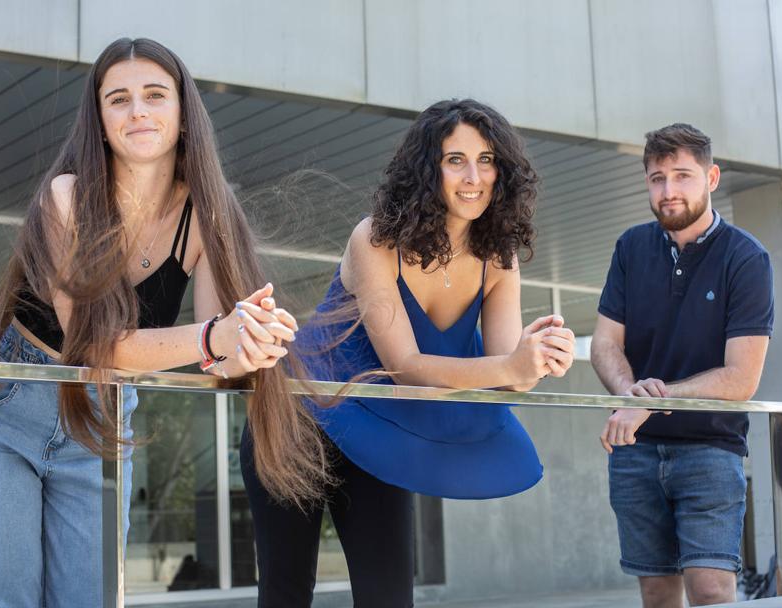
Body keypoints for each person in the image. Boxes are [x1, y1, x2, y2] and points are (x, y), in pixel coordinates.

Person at [0, 38, 327, 607]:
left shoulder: (206, 210)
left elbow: (217, 350)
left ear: (183, 112)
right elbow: (95, 347)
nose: (138, 110)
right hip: (2, 408)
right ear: (100, 118)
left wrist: (255, 340)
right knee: (2, 599)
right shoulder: (66, 197)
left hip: (102, 422)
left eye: (155, 95)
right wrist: (217, 337)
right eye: (119, 99)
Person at [241, 99, 577, 607]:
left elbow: (508, 375)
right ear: (428, 169)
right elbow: (407, 367)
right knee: (287, 593)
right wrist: (511, 366)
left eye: (487, 160)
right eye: (455, 159)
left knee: (389, 598)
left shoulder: (499, 257)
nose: (473, 176)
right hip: (299, 418)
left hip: (381, 431)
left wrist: (540, 356)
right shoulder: (374, 239)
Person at [591, 123, 774, 607]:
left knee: (712, 591)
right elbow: (605, 345)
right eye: (657, 178)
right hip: (636, 450)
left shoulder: (746, 258)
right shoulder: (631, 248)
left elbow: (742, 378)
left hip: (710, 448)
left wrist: (654, 401)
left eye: (682, 176)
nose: (668, 191)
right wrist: (631, 396)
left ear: (711, 177)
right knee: (656, 592)